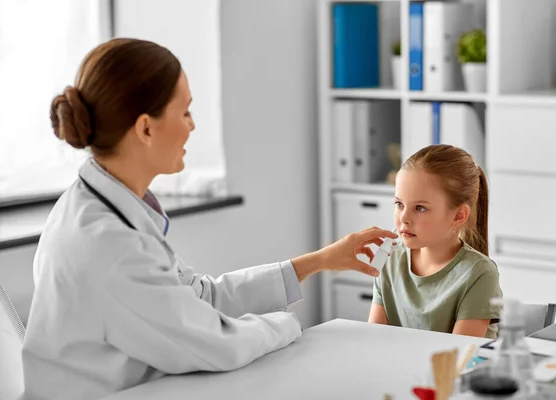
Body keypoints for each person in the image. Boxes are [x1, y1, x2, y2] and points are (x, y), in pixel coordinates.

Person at [21, 38, 397, 400]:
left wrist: (320, 261)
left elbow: (201, 297)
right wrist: (291, 326)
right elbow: (216, 343)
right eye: (184, 111)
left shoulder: (94, 204)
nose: (192, 125)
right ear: (145, 128)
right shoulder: (110, 244)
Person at [368, 144, 503, 339]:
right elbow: (374, 341)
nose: (403, 218)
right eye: (399, 204)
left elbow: (456, 360)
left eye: (420, 208)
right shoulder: (389, 260)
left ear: (458, 215)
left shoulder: (479, 274)